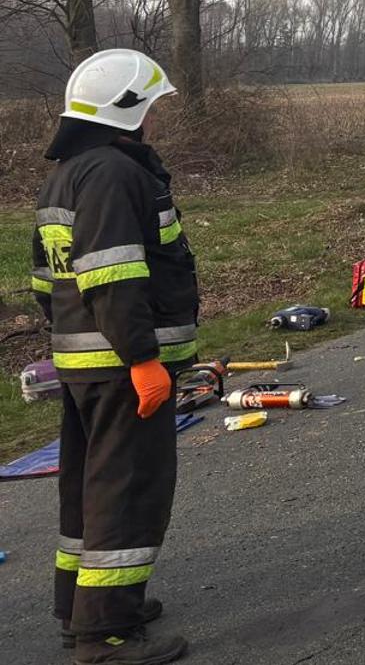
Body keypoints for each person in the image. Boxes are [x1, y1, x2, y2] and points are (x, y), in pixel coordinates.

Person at [33, 49, 197, 664]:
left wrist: (80, 346)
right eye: (151, 106)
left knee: (88, 487)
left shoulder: (69, 173)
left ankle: (82, 604)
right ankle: (105, 634)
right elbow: (114, 278)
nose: (155, 118)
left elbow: (48, 285)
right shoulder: (113, 174)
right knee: (128, 491)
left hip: (85, 363)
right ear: (126, 109)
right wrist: (140, 358)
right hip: (123, 368)